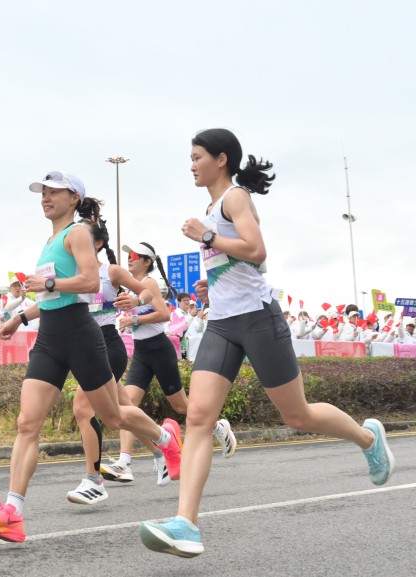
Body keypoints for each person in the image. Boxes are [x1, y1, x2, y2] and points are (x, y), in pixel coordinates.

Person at [139, 128, 394, 558]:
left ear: (221, 159)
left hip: (258, 319)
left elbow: (256, 250)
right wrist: (213, 272)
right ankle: (186, 525)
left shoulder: (234, 198)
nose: (192, 164)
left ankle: (368, 439)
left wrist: (205, 237)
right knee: (199, 417)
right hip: (222, 324)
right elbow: (235, 257)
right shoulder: (211, 205)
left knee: (297, 415)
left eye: (197, 156)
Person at [0, 171, 182, 544]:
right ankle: (12, 513)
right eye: (43, 192)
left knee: (113, 415)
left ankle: (165, 438)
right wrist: (18, 318)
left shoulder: (78, 233)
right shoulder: (50, 240)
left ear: (73, 198)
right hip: (50, 339)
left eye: (54, 192)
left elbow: (87, 281)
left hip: (82, 335)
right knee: (26, 423)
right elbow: (51, 296)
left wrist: (48, 283)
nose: (45, 197)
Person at [101, 242, 236, 488]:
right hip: (142, 352)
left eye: (134, 256)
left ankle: (218, 426)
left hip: (159, 349)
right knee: (128, 406)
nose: (129, 260)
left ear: (147, 261)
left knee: (181, 406)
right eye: (128, 256)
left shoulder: (149, 284)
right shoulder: (132, 288)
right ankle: (125, 462)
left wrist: (134, 318)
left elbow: (164, 314)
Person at [66, 219, 157, 505]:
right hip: (82, 345)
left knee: (83, 408)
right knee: (118, 412)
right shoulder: (71, 272)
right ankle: (165, 445)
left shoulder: (111, 271)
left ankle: (94, 481)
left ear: (97, 243)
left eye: (79, 237)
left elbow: (147, 293)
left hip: (107, 345)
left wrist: (134, 300)